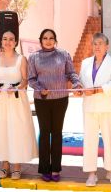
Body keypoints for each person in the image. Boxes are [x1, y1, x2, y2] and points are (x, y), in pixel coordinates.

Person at [27, 28, 82, 182]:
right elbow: (31, 78)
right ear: (41, 40)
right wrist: (39, 89)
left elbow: (71, 73)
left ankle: (56, 168)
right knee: (45, 133)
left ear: (55, 40)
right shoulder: (34, 57)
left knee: (57, 133)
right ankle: (45, 169)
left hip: (60, 99)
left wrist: (77, 84)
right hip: (42, 100)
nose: (48, 40)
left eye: (51, 38)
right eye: (45, 38)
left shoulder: (64, 55)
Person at [0, 30, 36, 180]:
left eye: (11, 39)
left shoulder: (21, 59)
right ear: (1, 41)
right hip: (1, 100)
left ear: (15, 42)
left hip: (16, 100)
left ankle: (16, 166)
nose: (7, 41)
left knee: (17, 131)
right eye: (4, 39)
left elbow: (24, 80)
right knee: (2, 131)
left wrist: (15, 88)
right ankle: (4, 165)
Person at [79, 32, 111, 186]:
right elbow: (81, 83)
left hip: (108, 107)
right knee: (90, 140)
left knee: (109, 139)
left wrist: (97, 89)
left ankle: (110, 171)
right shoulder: (85, 63)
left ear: (107, 46)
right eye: (95, 43)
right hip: (89, 107)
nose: (97, 46)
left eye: (100, 43)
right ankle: (92, 173)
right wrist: (80, 89)